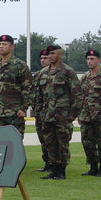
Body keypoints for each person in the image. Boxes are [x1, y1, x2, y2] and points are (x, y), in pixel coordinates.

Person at [35, 45, 82, 180]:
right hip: (46, 115)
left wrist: (73, 113)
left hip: (62, 115)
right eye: (48, 54)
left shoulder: (68, 72)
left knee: (62, 143)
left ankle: (61, 170)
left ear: (60, 55)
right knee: (50, 143)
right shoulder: (43, 73)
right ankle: (53, 169)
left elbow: (77, 94)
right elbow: (39, 95)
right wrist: (39, 111)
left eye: (53, 53)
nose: (50, 56)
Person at [0, 35, 32, 138]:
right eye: (0, 44)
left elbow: (28, 88)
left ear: (12, 47)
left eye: (5, 44)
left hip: (14, 113)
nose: (1, 46)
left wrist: (24, 108)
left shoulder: (20, 66)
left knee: (14, 144)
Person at [32, 49, 52, 172]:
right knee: (43, 139)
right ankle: (47, 163)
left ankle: (57, 164)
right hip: (40, 113)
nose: (43, 60)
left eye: (45, 58)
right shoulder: (38, 75)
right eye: (41, 58)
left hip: (54, 113)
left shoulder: (60, 73)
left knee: (53, 140)